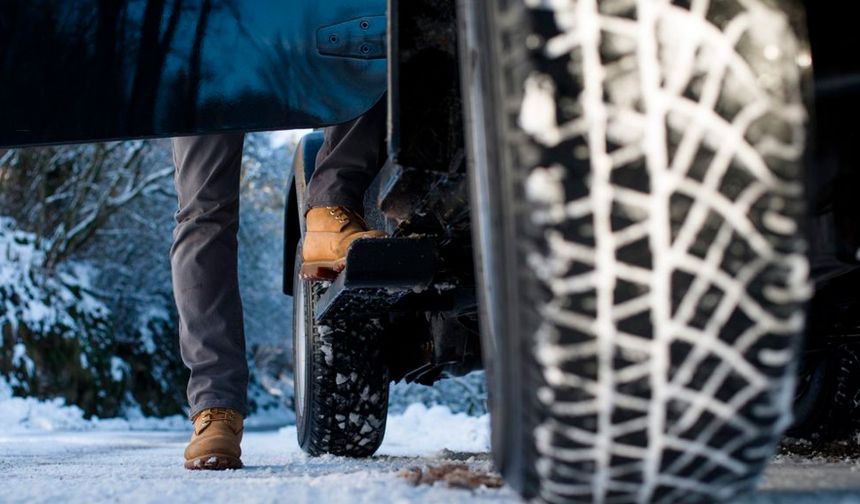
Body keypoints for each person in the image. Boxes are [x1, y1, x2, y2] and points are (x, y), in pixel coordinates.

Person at [171, 98, 386, 470]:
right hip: (210, 50)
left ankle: (331, 209)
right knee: (203, 211)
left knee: (373, 52)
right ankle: (215, 409)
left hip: (296, 41)